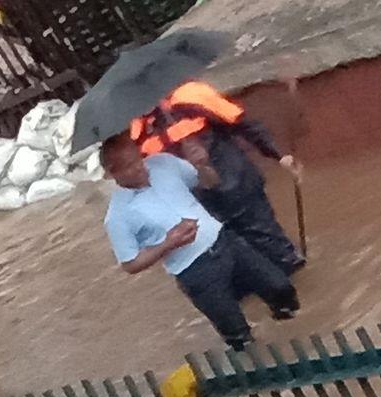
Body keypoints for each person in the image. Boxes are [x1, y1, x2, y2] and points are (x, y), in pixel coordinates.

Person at [102, 132, 299, 351]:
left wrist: (203, 165)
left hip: (226, 243)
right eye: (129, 166)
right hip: (195, 272)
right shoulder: (117, 216)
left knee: (281, 288)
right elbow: (130, 264)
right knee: (239, 337)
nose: (140, 167)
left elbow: (210, 182)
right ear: (113, 172)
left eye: (138, 159)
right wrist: (169, 243)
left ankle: (296, 336)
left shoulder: (163, 163)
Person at [130, 81, 305, 278]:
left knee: (277, 251)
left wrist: (280, 155)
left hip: (238, 187)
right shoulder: (137, 132)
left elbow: (243, 125)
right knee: (241, 266)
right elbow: (146, 178)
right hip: (203, 206)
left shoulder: (192, 97)